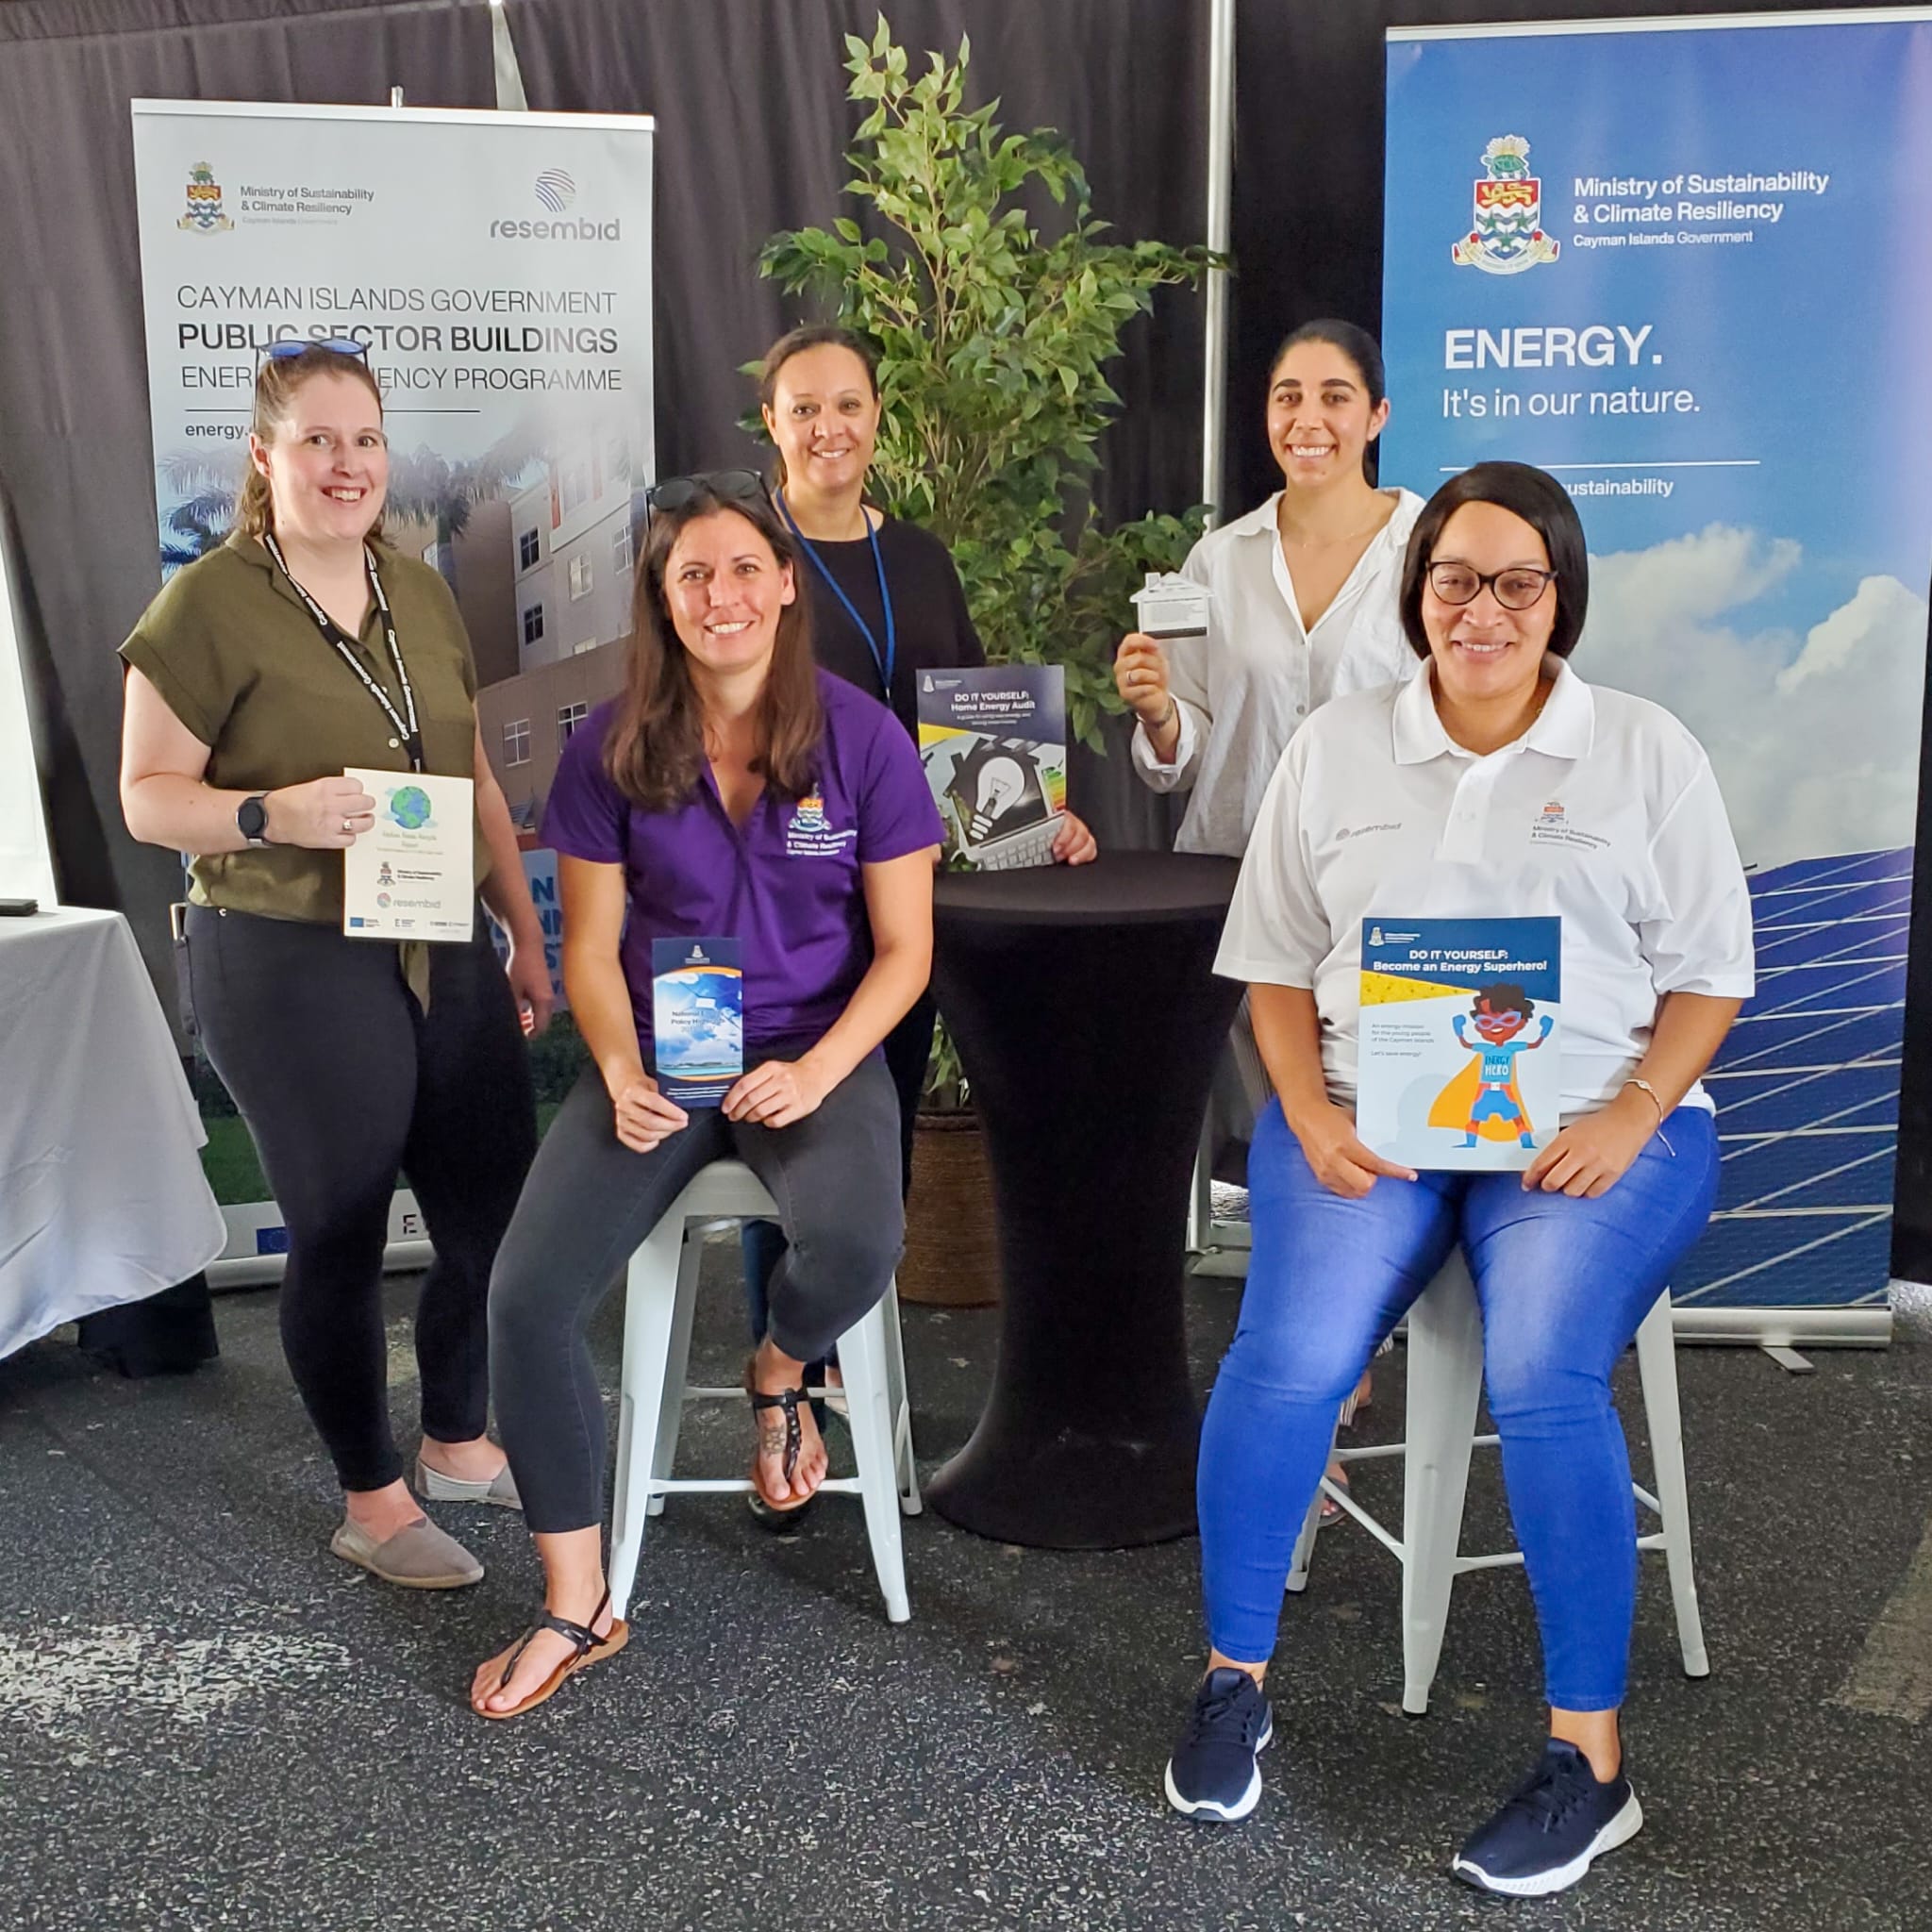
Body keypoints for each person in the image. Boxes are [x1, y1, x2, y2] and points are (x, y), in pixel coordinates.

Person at [1164, 461, 1754, 1898]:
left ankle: (1589, 1765)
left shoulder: (1644, 753)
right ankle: (1231, 1678)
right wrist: (1303, 1114)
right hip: (1370, 1120)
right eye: (1451, 580)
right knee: (1287, 1354)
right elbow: (1276, 969)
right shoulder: (1337, 746)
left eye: (1516, 582)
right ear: (1416, 592)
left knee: (1544, 1368)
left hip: (1591, 1131)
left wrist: (1634, 1109)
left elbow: (1711, 978)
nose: (1480, 610)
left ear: (1562, 598)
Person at [471, 475, 942, 1719]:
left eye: (744, 569)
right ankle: (576, 1602)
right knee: (523, 1298)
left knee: (858, 1237)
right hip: (661, 1063)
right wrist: (620, 1070)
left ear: (788, 581)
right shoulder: (609, 747)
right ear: (661, 598)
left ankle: (781, 1367)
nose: (721, 596)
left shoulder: (863, 742)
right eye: (692, 576)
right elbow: (587, 947)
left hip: (812, 1051)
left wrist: (823, 1069)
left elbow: (905, 952)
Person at [119, 341, 552, 1591]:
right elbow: (150, 799)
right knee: (344, 1228)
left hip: (434, 932)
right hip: (281, 950)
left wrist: (519, 926)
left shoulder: (416, 589)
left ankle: (461, 1437)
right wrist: (272, 815)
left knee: (494, 1213)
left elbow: (467, 774)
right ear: (266, 456)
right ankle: (372, 1498)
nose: (346, 462)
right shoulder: (205, 604)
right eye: (317, 440)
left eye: (364, 438)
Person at [737, 324, 1095, 1489]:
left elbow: (974, 724)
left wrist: (1041, 815)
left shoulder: (924, 558)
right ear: (771, 427)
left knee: (875, 1143)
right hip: (792, 898)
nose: (828, 428)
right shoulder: (747, 557)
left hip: (910, 908)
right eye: (804, 409)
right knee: (783, 1146)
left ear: (877, 416)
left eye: (848, 404)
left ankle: (835, 1359)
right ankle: (783, 1389)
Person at [1115, 319, 1424, 1508]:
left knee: (1365, 1118)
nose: (1308, 417)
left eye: (1334, 395)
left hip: (1385, 888)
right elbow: (1187, 755)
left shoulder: (1424, 549)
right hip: (1238, 877)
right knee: (1285, 1131)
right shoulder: (1216, 559)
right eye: (1286, 393)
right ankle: (1316, 1364)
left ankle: (1336, 1359)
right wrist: (1151, 714)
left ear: (1376, 415)